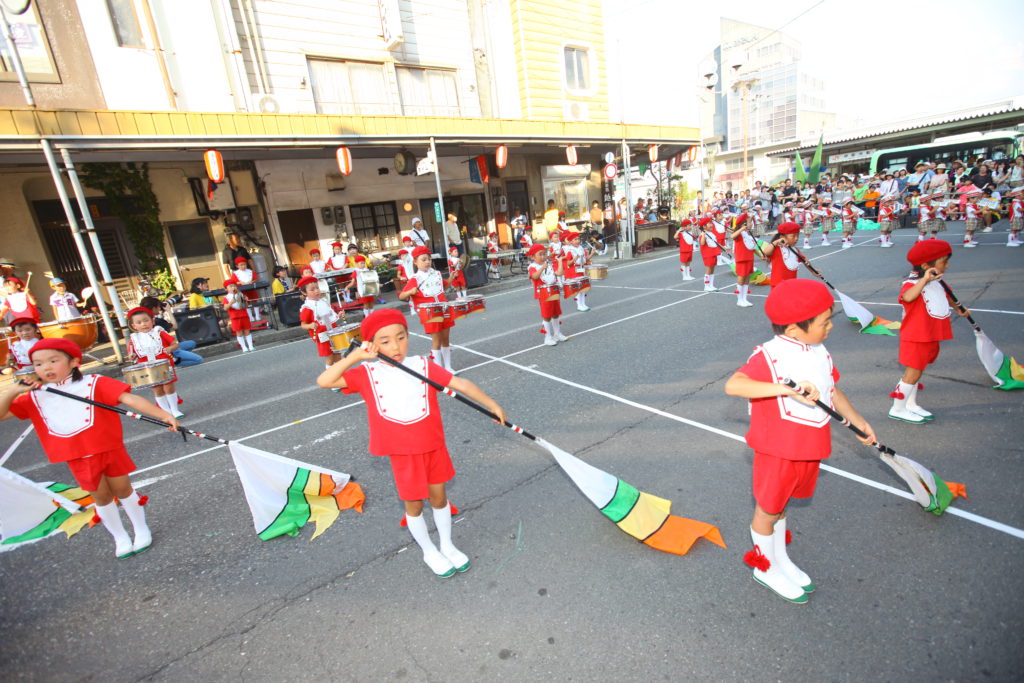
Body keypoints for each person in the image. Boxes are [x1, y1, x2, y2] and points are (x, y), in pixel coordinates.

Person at [317, 308, 505, 577]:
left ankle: (447, 545)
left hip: (433, 445)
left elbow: (459, 383)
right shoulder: (367, 373)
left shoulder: (422, 365)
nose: (395, 346)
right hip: (404, 454)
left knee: (439, 498)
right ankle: (429, 551)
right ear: (372, 344)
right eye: (385, 341)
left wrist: (492, 404)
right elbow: (325, 380)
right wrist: (357, 356)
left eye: (401, 337)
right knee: (414, 505)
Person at [724, 278, 875, 603]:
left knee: (783, 505)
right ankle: (764, 567)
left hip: (809, 445)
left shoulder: (818, 349)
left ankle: (779, 559)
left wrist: (859, 421)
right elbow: (734, 385)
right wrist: (784, 388)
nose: (831, 326)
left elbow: (833, 390)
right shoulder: (770, 355)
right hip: (779, 449)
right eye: (825, 322)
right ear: (794, 330)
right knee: (768, 508)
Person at [1, 338, 178, 558]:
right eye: (38, 364)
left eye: (53, 360)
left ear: (74, 361)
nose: (45, 367)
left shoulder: (94, 382)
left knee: (123, 489)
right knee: (101, 497)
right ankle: (119, 536)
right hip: (76, 456)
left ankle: (141, 529)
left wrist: (164, 414)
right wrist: (11, 392)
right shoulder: (35, 396)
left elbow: (129, 399)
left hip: (108, 448)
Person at [888, 240, 969, 424]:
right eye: (943, 262)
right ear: (926, 266)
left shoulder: (938, 282)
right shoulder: (912, 284)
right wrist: (924, 280)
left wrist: (959, 309)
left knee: (918, 370)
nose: (946, 265)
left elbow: (947, 297)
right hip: (916, 336)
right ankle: (897, 408)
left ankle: (911, 404)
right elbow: (907, 297)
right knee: (912, 373)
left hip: (930, 335)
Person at [399, 246, 456, 371]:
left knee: (446, 339)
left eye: (429, 259)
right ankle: (439, 370)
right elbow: (402, 295)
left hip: (444, 308)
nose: (427, 262)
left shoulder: (437, 274)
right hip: (430, 313)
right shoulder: (415, 279)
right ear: (415, 262)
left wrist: (451, 277)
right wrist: (410, 292)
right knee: (437, 340)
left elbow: (444, 287)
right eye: (423, 260)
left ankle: (448, 367)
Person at [125, 306, 185, 419]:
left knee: (168, 386)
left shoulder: (159, 332)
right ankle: (166, 412)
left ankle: (175, 410)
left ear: (152, 321)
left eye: (146, 320)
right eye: (139, 322)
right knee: (157, 389)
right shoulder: (133, 339)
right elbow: (132, 355)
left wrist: (169, 349)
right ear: (134, 326)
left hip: (163, 363)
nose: (143, 324)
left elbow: (175, 344)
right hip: (147, 366)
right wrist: (131, 356)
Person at [138, 296, 203, 369]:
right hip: (169, 350)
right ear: (153, 308)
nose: (160, 309)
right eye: (158, 306)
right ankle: (174, 364)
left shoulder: (144, 323)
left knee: (191, 343)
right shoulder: (156, 321)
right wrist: (169, 311)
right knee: (198, 359)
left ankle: (176, 359)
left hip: (165, 348)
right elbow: (174, 326)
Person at [296, 275, 343, 373]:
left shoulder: (324, 301)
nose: (316, 291)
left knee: (338, 355)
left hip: (333, 331)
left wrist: (339, 315)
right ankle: (331, 378)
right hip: (323, 335)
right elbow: (303, 325)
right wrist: (310, 325)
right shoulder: (307, 307)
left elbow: (331, 316)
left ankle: (340, 376)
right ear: (304, 293)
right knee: (330, 358)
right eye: (312, 290)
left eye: (317, 288)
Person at [527, 243, 568, 346]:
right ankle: (548, 337)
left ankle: (557, 334)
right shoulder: (532, 267)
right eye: (540, 255)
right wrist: (542, 268)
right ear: (532, 257)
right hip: (543, 294)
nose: (543, 257)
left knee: (556, 313)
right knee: (547, 315)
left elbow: (560, 273)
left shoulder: (549, 265)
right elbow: (534, 277)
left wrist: (559, 262)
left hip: (553, 291)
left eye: (544, 254)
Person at [759, 222, 800, 288]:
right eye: (793, 236)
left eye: (798, 236)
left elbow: (805, 260)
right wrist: (776, 242)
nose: (796, 238)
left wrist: (813, 271)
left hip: (791, 284)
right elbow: (766, 252)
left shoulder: (795, 250)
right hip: (778, 285)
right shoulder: (777, 249)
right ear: (782, 237)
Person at [221, 276, 255, 353]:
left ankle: (250, 346)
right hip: (235, 317)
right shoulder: (226, 297)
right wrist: (231, 302)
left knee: (247, 331)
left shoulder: (241, 295)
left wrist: (246, 301)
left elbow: (245, 306)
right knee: (239, 332)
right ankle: (244, 347)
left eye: (234, 285)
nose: (233, 287)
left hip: (244, 315)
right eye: (230, 286)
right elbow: (225, 308)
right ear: (226, 289)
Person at [730, 213, 757, 308]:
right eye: (750, 222)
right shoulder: (740, 233)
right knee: (741, 280)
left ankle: (744, 298)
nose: (751, 224)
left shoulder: (747, 233)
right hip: (742, 259)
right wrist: (741, 229)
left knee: (747, 280)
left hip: (749, 258)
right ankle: (739, 300)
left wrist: (761, 255)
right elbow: (732, 236)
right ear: (744, 224)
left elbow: (752, 247)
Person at [561, 231, 590, 312]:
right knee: (578, 289)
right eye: (575, 239)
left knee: (583, 288)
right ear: (571, 242)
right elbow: (568, 263)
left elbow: (585, 259)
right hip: (574, 271)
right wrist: (574, 259)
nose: (577, 241)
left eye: (578, 239)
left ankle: (583, 304)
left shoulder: (581, 248)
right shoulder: (570, 251)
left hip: (581, 269)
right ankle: (579, 305)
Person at [697, 216, 726, 292]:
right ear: (704, 226)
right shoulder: (703, 235)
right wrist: (703, 234)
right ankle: (706, 286)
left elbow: (715, 243)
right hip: (708, 255)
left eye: (711, 223)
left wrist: (724, 248)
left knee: (712, 270)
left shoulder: (711, 233)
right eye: (709, 223)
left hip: (714, 253)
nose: (711, 225)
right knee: (708, 270)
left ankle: (711, 285)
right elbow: (702, 243)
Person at [232, 256, 261, 322]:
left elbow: (255, 278)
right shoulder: (235, 273)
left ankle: (257, 315)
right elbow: (234, 282)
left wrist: (252, 281)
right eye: (241, 265)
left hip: (251, 289)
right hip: (242, 291)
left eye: (244, 264)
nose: (243, 266)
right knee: (245, 303)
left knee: (254, 301)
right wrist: (240, 282)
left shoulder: (250, 271)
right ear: (237, 266)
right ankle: (250, 317)